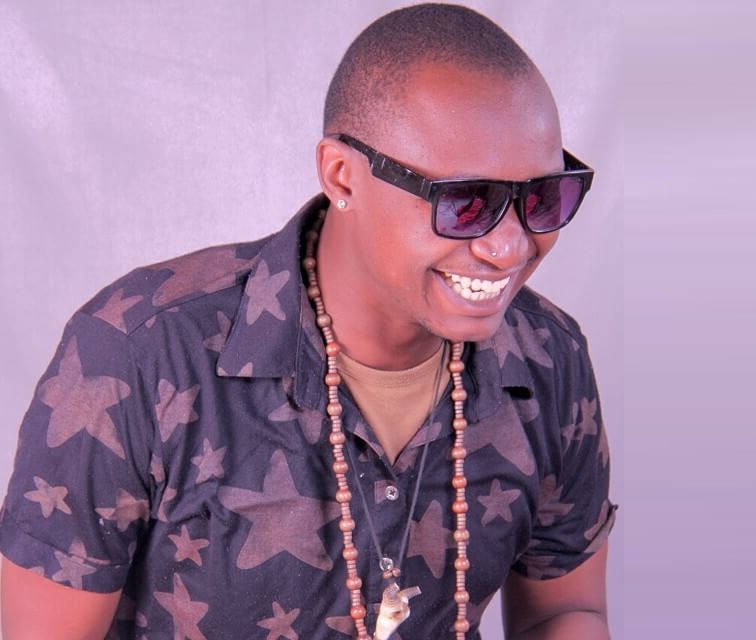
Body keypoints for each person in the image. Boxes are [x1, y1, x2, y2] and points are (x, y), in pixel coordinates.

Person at [0, 4, 616, 639]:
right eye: (466, 203)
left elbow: (564, 611)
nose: (508, 248)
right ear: (341, 177)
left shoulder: (550, 358)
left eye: (544, 198)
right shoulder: (136, 354)